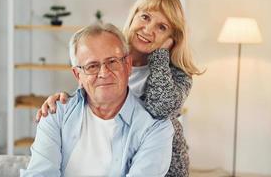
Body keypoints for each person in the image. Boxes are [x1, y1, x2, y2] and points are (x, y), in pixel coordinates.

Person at [36, 0, 202, 177]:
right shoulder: (110, 51)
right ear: (133, 16)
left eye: (162, 27)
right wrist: (62, 99)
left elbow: (161, 109)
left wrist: (160, 57)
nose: (148, 30)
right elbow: (89, 89)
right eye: (145, 17)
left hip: (159, 161)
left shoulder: (178, 74)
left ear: (172, 40)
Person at [21, 23, 174, 176]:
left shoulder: (155, 128)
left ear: (128, 65)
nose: (103, 73)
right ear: (77, 75)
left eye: (112, 62)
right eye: (92, 66)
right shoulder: (55, 114)